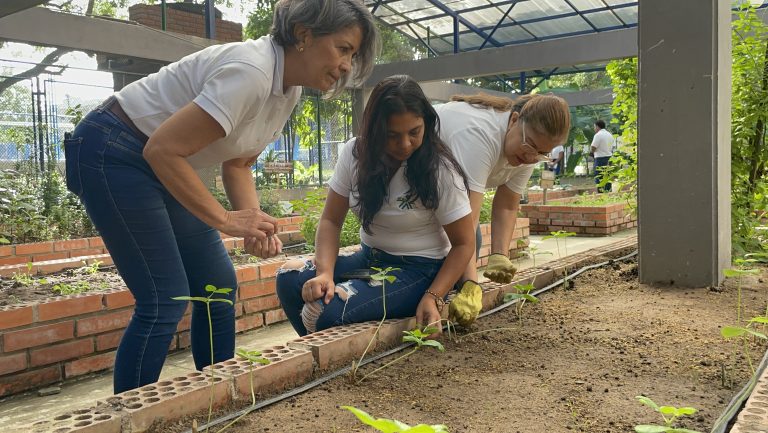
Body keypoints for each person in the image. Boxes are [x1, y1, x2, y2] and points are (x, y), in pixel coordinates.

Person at [62, 0, 379, 393]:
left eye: (353, 54)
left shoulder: (288, 89)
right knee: (164, 298)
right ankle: (129, 416)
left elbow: (239, 164)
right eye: (343, 48)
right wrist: (227, 220)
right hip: (113, 149)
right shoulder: (251, 71)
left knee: (217, 283)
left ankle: (216, 397)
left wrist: (252, 222)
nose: (347, 65)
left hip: (161, 160)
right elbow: (161, 150)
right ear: (303, 34)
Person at [275, 75, 475, 338]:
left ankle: (322, 362)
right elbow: (331, 221)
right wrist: (325, 272)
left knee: (326, 312)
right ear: (374, 129)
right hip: (370, 258)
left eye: (414, 132)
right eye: (391, 135)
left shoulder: (440, 170)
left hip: (419, 270)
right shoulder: (355, 155)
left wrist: (433, 297)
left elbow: (464, 244)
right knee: (289, 278)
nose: (404, 144)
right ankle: (316, 358)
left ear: (426, 122)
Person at [435, 93, 571, 327]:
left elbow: (507, 205)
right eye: (531, 147)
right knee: (464, 244)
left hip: (444, 190)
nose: (531, 158)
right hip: (410, 180)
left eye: (542, 153)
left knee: (466, 248)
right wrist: (471, 284)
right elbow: (468, 218)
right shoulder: (479, 135)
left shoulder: (529, 152)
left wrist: (500, 254)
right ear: (514, 120)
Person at [590, 120, 614, 192]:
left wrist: (591, 153)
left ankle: (601, 193)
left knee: (599, 177)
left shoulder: (598, 135)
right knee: (607, 176)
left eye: (594, 127)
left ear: (597, 126)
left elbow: (593, 147)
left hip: (600, 159)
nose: (594, 129)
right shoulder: (610, 135)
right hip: (609, 158)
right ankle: (608, 192)